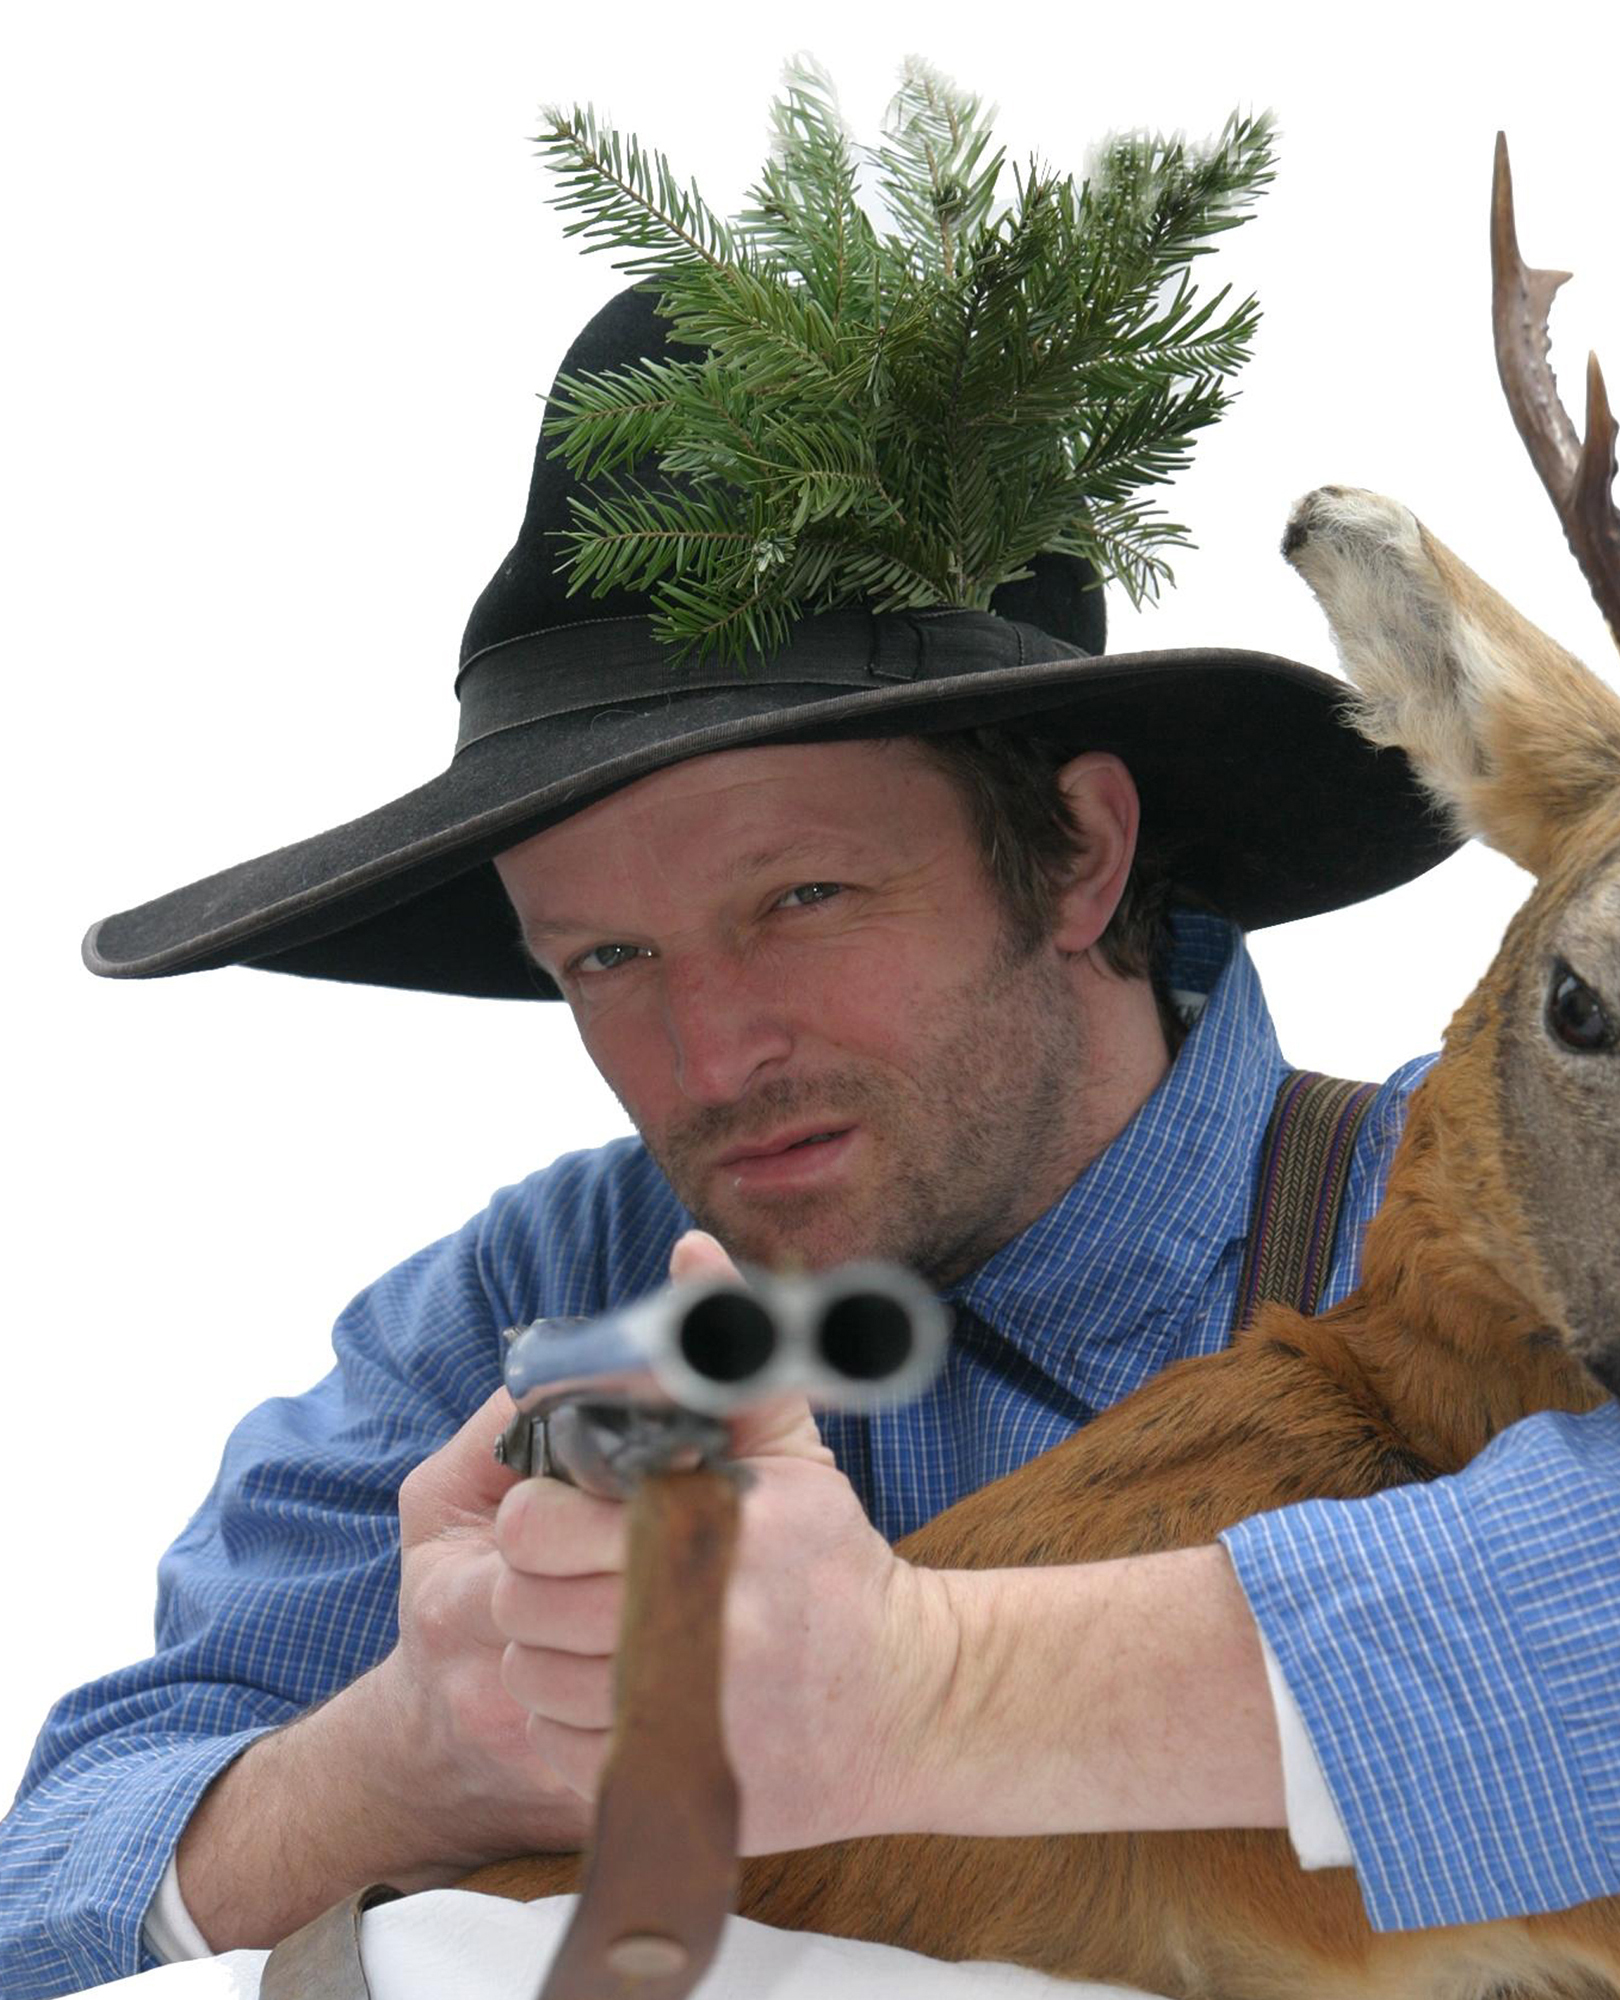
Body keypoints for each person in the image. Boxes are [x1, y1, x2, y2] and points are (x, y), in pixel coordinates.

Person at [4, 241, 1618, 2000]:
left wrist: (929, 1683)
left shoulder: (1511, 1197)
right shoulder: (526, 1311)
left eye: (802, 901)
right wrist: (412, 1753)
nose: (707, 1058)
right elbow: (53, 1888)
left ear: (1079, 854)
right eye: (606, 956)